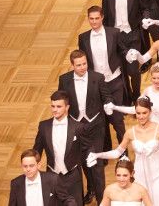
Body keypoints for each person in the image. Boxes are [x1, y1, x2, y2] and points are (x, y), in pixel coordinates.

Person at [57, 51, 110, 206]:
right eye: (78, 65)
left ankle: (102, 200)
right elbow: (61, 100)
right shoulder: (64, 80)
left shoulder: (97, 77)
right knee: (82, 162)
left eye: (84, 63)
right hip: (76, 128)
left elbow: (107, 96)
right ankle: (91, 189)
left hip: (95, 127)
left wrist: (108, 104)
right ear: (72, 65)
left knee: (97, 165)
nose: (82, 67)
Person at [77, 7, 127, 146]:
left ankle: (123, 153)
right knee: (100, 120)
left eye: (96, 18)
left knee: (117, 120)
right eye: (91, 19)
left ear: (102, 17)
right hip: (96, 84)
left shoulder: (114, 33)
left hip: (114, 81)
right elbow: (81, 59)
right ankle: (105, 152)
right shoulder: (83, 37)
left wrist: (129, 55)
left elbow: (122, 50)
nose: (94, 21)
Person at [32, 94, 84, 206]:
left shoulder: (78, 127)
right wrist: (33, 166)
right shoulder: (44, 126)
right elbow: (37, 150)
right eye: (53, 106)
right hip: (51, 175)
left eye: (59, 106)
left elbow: (86, 149)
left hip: (73, 176)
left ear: (67, 107)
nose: (55, 110)